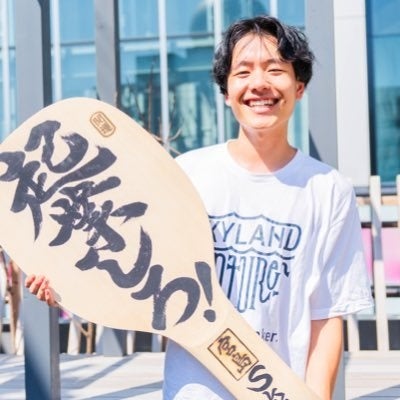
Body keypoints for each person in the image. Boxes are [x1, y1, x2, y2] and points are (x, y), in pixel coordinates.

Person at [27, 15, 373, 400]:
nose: (259, 83)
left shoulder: (328, 190)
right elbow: (132, 265)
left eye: (275, 70)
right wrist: (65, 283)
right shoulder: (189, 173)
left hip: (277, 390)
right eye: (243, 71)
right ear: (226, 91)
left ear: (299, 86)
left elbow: (327, 314)